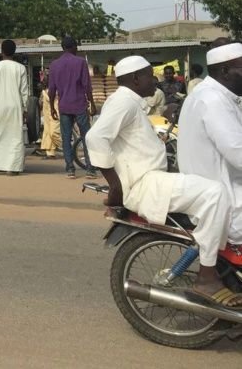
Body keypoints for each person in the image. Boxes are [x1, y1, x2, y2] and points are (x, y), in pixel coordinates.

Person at [87, 55, 239, 307]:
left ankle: (217, 265)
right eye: (148, 74)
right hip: (143, 183)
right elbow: (95, 138)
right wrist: (115, 187)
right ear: (135, 79)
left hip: (151, 178)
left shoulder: (130, 102)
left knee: (213, 196)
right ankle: (207, 277)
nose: (154, 79)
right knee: (215, 193)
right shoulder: (123, 101)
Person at [178, 41, 242, 247]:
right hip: (226, 200)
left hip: (213, 191)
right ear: (225, 71)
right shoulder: (214, 101)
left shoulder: (208, 93)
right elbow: (238, 154)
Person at [48, 36, 97, 179]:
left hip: (63, 106)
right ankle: (90, 169)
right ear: (74, 47)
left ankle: (70, 169)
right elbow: (87, 86)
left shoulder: (55, 65)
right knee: (86, 136)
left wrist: (51, 107)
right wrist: (92, 103)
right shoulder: (81, 62)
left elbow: (51, 89)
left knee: (66, 138)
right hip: (80, 105)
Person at [0, 40, 29, 176]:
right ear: (14, 52)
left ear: (1, 51)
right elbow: (24, 92)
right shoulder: (21, 68)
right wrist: (25, 109)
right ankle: (12, 168)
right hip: (15, 107)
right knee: (15, 137)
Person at [38, 82, 61, 159]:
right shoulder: (44, 91)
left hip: (56, 112)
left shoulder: (58, 88)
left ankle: (67, 147)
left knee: (54, 132)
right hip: (47, 114)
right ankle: (50, 153)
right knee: (48, 132)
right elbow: (41, 104)